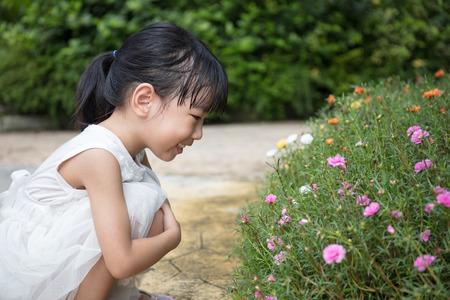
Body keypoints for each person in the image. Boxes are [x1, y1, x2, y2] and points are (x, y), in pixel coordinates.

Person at [0, 22, 228, 300]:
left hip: (60, 257)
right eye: (195, 118)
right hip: (35, 272)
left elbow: (157, 209)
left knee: (148, 204)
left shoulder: (134, 150)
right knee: (142, 204)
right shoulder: (99, 156)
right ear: (144, 100)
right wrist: (172, 238)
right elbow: (122, 261)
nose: (199, 134)